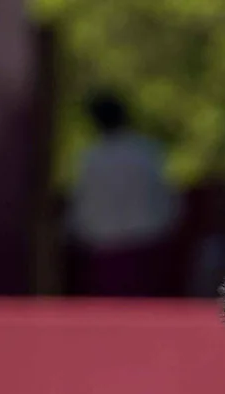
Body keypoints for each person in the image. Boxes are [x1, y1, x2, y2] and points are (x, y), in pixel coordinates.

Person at [65, 92, 178, 297]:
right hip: (146, 246)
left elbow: (82, 205)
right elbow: (167, 198)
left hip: (105, 249)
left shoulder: (90, 158)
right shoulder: (146, 152)